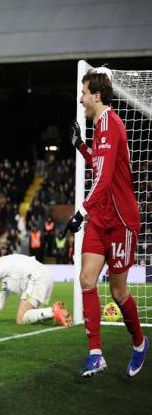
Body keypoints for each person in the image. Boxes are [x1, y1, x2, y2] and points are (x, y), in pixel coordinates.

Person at [66, 67, 148, 377]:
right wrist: (81, 146)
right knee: (87, 279)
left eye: (84, 93)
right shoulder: (99, 127)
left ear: (97, 96)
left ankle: (139, 342)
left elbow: (102, 178)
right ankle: (96, 354)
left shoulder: (112, 125)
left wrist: (81, 212)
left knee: (118, 292)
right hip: (101, 218)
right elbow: (99, 165)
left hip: (121, 220)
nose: (81, 99)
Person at [0, 247, 72, 326]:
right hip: (46, 275)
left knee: (21, 319)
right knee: (33, 319)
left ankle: (53, 311)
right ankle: (57, 313)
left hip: (36, 277)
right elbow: (0, 303)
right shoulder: (7, 266)